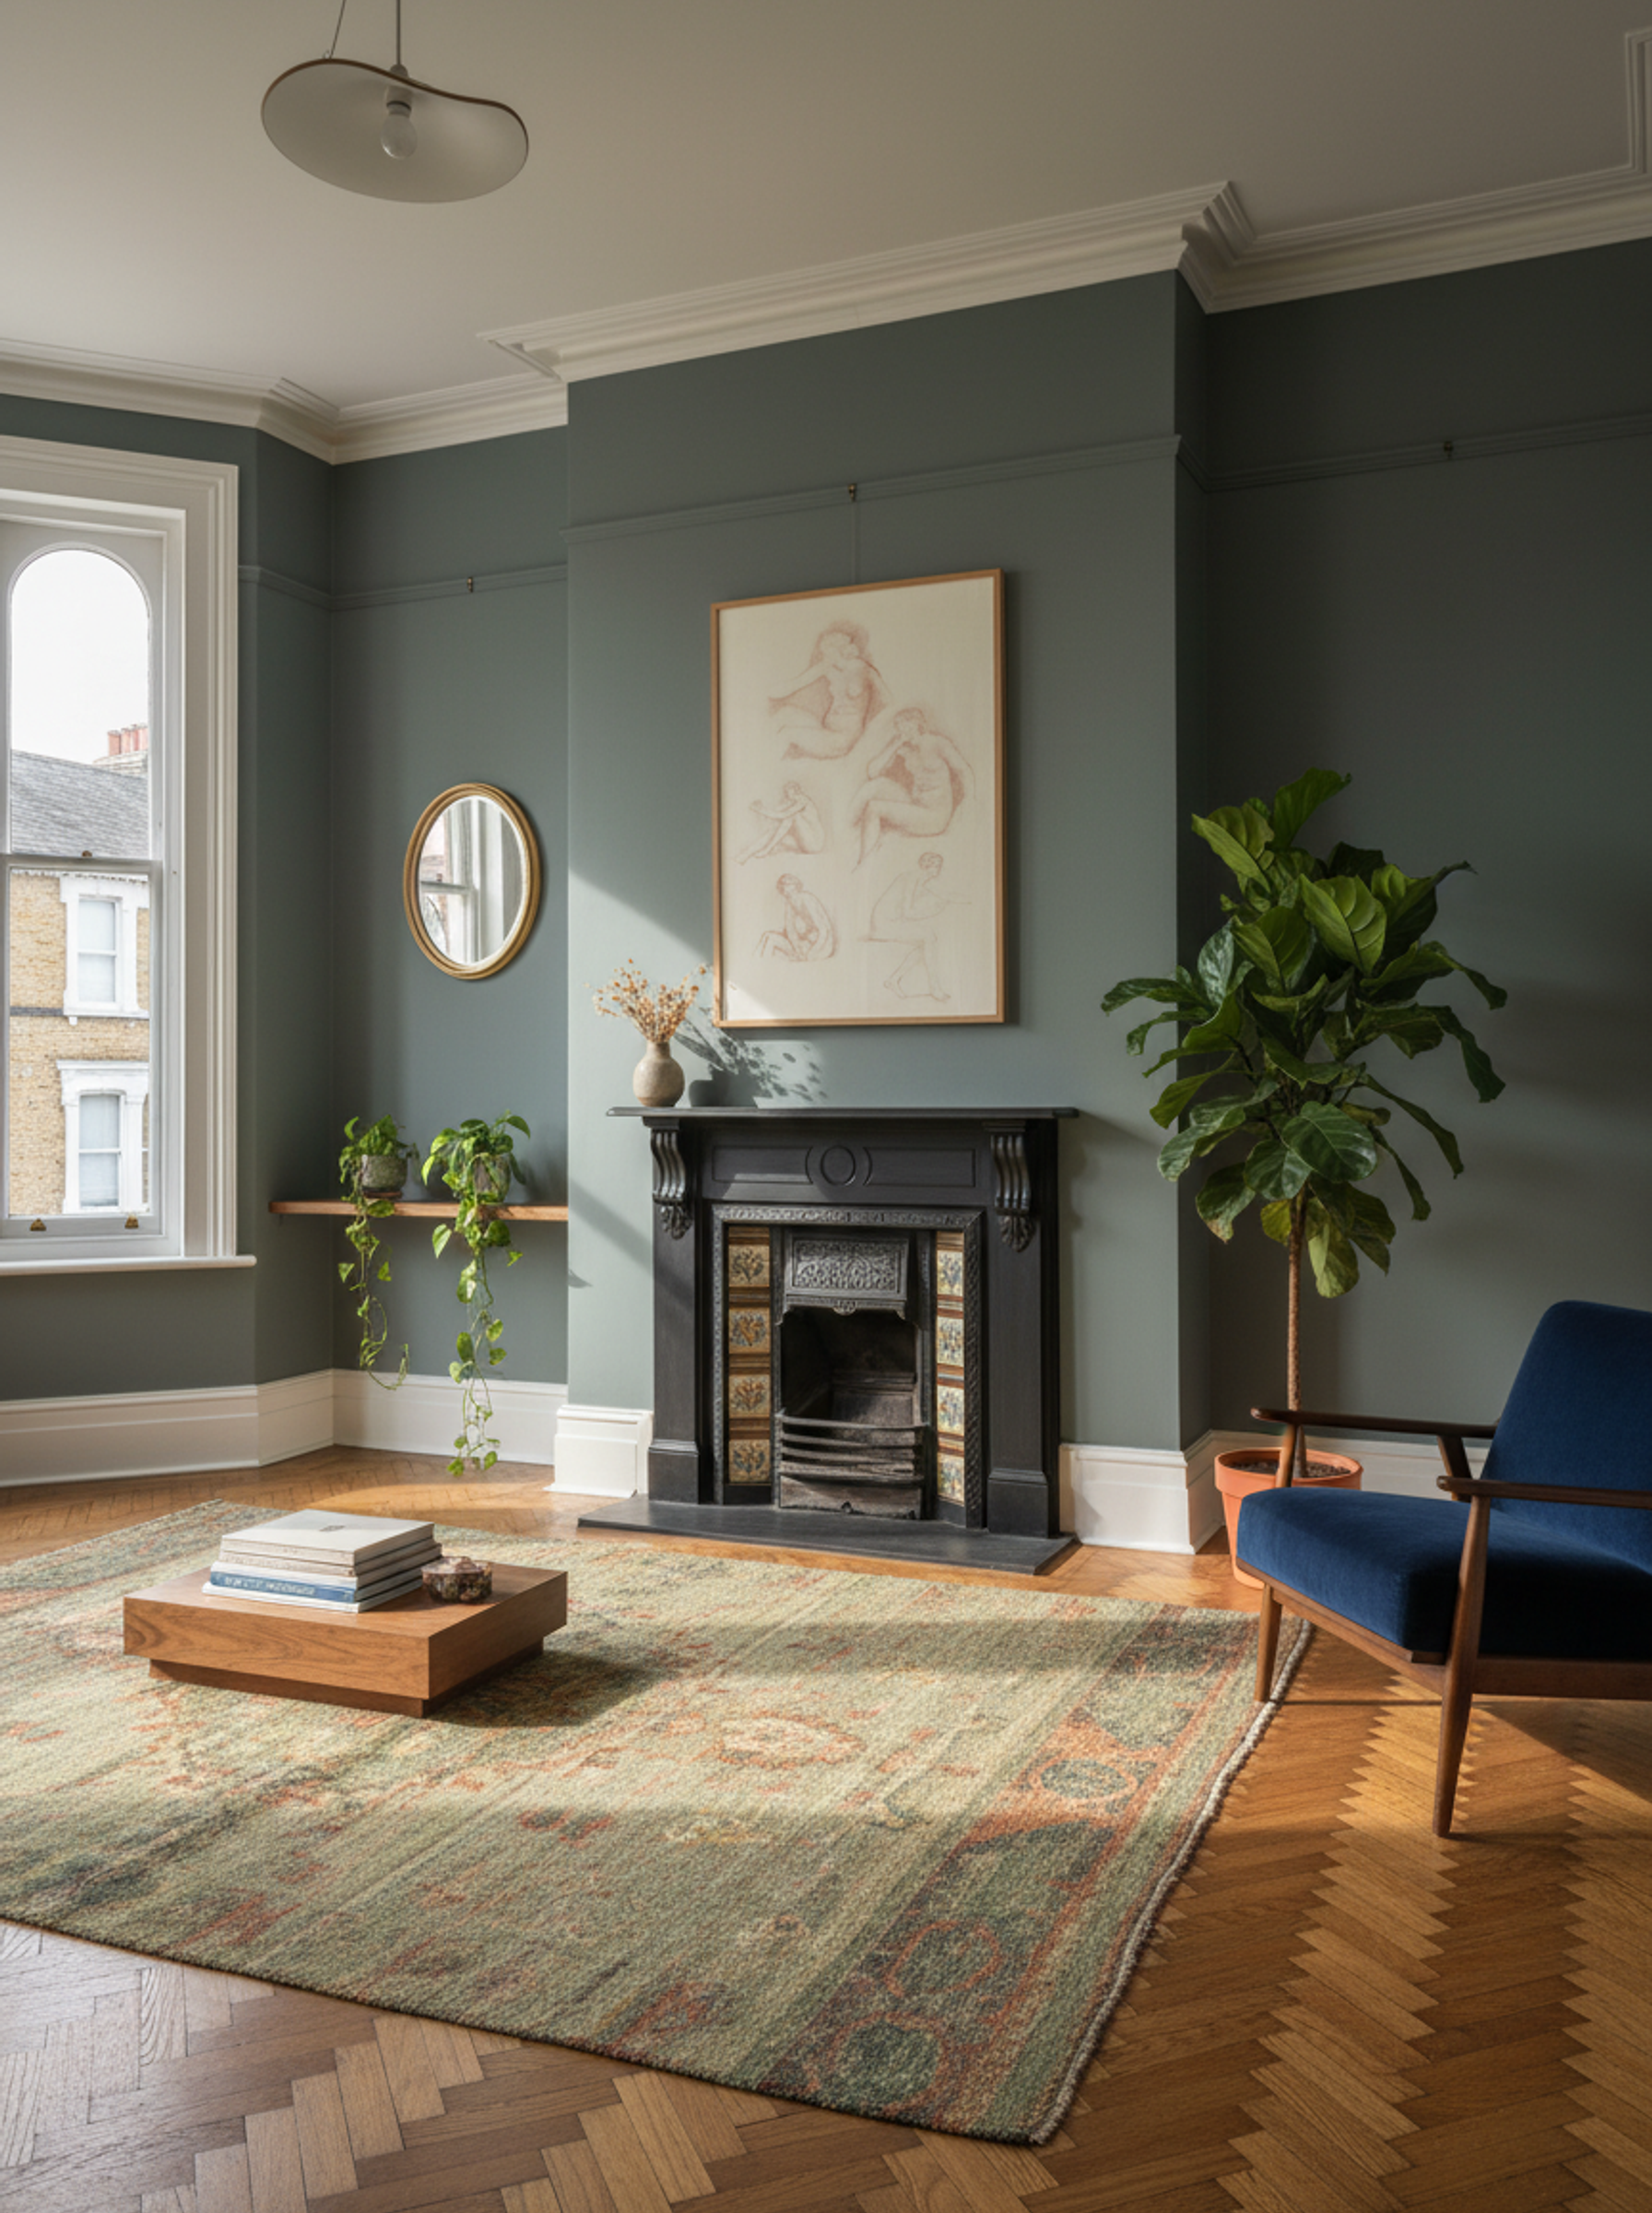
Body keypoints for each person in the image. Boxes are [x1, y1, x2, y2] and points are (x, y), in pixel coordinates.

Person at [846, 706, 973, 866]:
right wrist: (896, 744)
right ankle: (846, 825)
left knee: (874, 808)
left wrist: (971, 801)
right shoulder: (905, 749)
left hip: (934, 815)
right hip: (916, 803)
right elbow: (872, 771)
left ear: (918, 725)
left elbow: (964, 770)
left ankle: (862, 862)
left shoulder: (936, 743)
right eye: (900, 728)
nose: (903, 731)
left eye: (907, 727)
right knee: (877, 785)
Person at [769, 622, 888, 759]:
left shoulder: (864, 669)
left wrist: (874, 734)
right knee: (785, 713)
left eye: (828, 652)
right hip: (827, 730)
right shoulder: (827, 667)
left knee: (786, 734)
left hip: (844, 738)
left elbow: (888, 700)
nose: (824, 656)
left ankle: (765, 770)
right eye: (824, 653)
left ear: (839, 651)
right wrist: (762, 690)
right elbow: (792, 685)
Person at [866, 850, 965, 1000]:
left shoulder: (919, 881)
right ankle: (934, 988)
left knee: (928, 940)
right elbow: (908, 913)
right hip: (885, 923)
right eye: (935, 866)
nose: (938, 870)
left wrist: (944, 901)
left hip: (893, 921)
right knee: (929, 937)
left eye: (939, 866)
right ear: (925, 866)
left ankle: (894, 979)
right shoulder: (911, 878)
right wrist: (935, 909)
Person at [734, 781, 825, 863]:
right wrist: (762, 808)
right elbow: (777, 812)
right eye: (786, 792)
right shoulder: (792, 800)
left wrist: (760, 810)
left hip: (814, 843)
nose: (786, 794)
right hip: (806, 843)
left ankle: (767, 849)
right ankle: (749, 853)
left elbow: (782, 815)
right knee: (779, 823)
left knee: (791, 817)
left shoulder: (802, 800)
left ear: (795, 791)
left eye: (788, 791)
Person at [758, 873, 836, 962]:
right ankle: (758, 967)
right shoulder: (789, 903)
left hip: (821, 945)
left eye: (787, 884)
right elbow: (790, 930)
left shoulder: (807, 899)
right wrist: (798, 949)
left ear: (795, 886)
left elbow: (824, 930)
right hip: (805, 944)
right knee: (769, 937)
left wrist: (812, 952)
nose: (784, 887)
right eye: (782, 884)